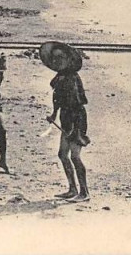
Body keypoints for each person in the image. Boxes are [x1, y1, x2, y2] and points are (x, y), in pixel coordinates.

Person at [40, 42, 90, 202]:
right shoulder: (60, 78)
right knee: (62, 155)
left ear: (68, 59)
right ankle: (72, 188)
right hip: (66, 118)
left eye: (61, 58)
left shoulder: (72, 78)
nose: (57, 61)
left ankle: (84, 192)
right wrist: (54, 115)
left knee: (75, 156)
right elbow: (57, 100)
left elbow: (76, 103)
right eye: (55, 58)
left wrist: (74, 129)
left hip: (77, 118)